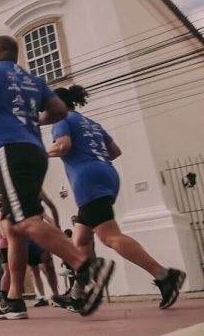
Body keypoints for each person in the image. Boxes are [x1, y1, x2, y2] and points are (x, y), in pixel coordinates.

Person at [0, 35, 114, 319]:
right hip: (35, 151)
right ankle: (15, 299)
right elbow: (59, 110)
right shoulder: (34, 79)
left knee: (25, 221)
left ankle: (86, 265)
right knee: (13, 227)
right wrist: (31, 121)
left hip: (9, 150)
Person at [48, 85, 186, 311]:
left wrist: (39, 154)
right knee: (81, 239)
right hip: (107, 174)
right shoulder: (91, 123)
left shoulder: (62, 120)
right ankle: (78, 293)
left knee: (110, 237)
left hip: (87, 179)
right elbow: (115, 151)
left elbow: (63, 146)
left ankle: (164, 275)